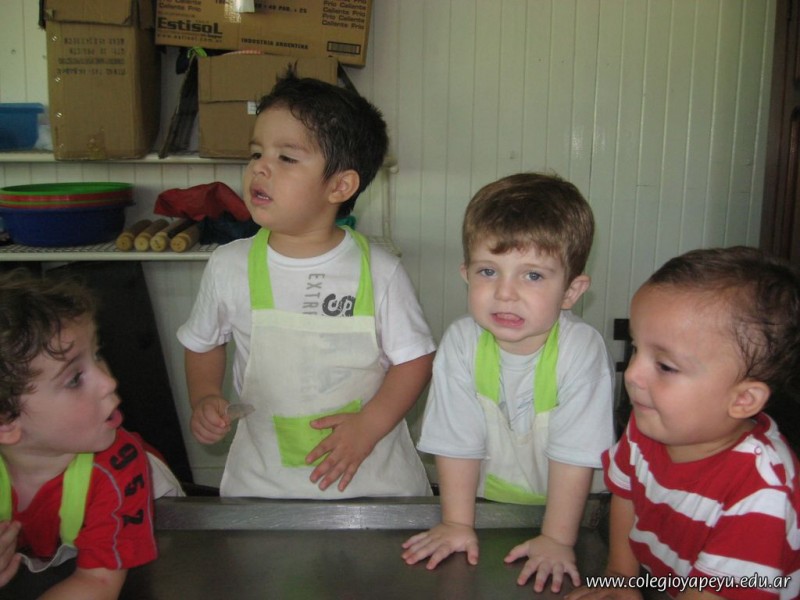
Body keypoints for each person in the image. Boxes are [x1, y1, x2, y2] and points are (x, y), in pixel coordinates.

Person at [178, 71, 435, 498]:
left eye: (286, 158)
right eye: (256, 152)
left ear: (340, 185)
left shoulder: (380, 271)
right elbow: (203, 342)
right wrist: (204, 396)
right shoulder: (229, 265)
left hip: (372, 483)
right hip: (264, 485)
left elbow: (416, 360)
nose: (260, 167)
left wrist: (369, 427)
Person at [402, 172, 615, 592]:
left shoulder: (580, 350)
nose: (504, 293)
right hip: (489, 505)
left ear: (571, 291)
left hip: (576, 510)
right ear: (466, 273)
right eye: (488, 271)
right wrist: (457, 523)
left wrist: (557, 539)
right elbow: (456, 443)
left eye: (532, 276)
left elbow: (575, 456)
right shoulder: (461, 343)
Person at [567, 246, 800, 600]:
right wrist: (621, 576)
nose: (632, 374)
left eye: (665, 366)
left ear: (742, 400)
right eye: (636, 348)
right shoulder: (649, 425)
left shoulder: (761, 491)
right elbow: (627, 494)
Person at [0, 268, 157, 598]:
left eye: (97, 354)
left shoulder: (119, 466)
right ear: (7, 424)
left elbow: (97, 583)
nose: (109, 381)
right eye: (74, 379)